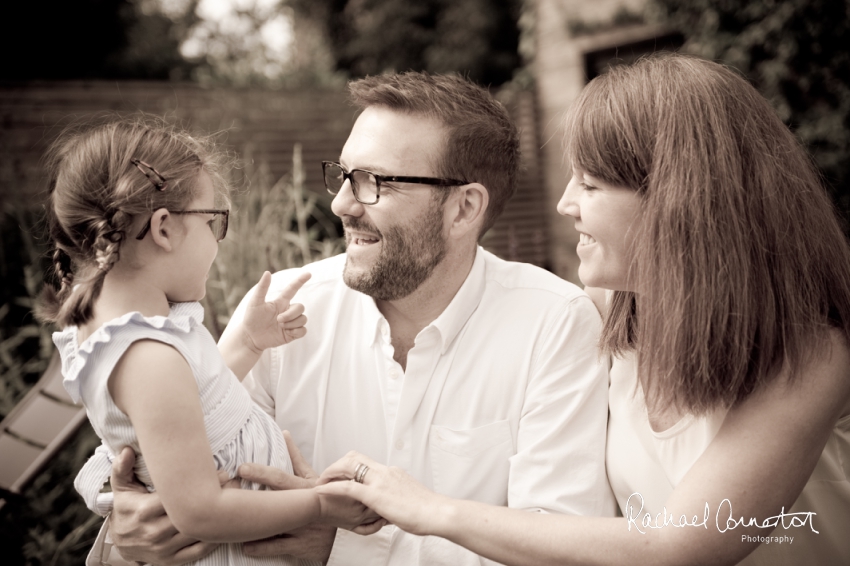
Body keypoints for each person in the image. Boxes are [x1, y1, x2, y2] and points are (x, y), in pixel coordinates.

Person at [316, 53, 850, 565]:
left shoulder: (812, 353)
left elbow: (678, 547)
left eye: (590, 184)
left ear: (680, 202)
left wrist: (430, 510)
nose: (565, 203)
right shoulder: (610, 311)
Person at [79, 72, 617, 565]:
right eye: (343, 174)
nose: (340, 204)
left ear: (464, 209)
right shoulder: (285, 310)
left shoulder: (554, 324)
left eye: (373, 182)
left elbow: (561, 549)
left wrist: (344, 548)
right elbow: (188, 460)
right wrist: (126, 516)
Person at [41, 117, 382, 566]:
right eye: (213, 222)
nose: (218, 241)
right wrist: (322, 505)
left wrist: (247, 343)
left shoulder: (139, 338)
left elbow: (200, 405)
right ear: (164, 229)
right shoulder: (148, 356)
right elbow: (202, 511)